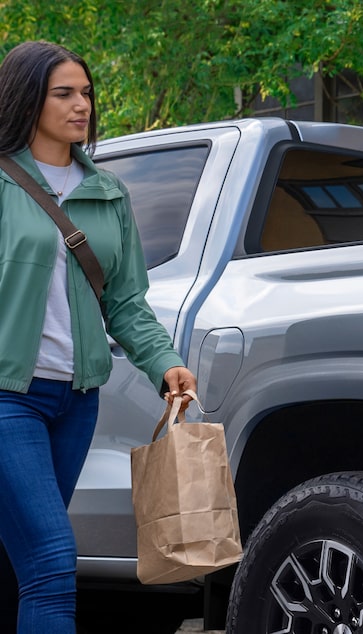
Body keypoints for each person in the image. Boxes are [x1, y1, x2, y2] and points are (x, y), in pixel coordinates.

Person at [0, 41, 196, 632]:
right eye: (63, 93)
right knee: (52, 561)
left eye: (85, 93)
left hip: (76, 401)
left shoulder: (108, 192)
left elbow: (125, 300)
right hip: (8, 397)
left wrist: (165, 362)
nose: (81, 105)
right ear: (26, 99)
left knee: (22, 564)